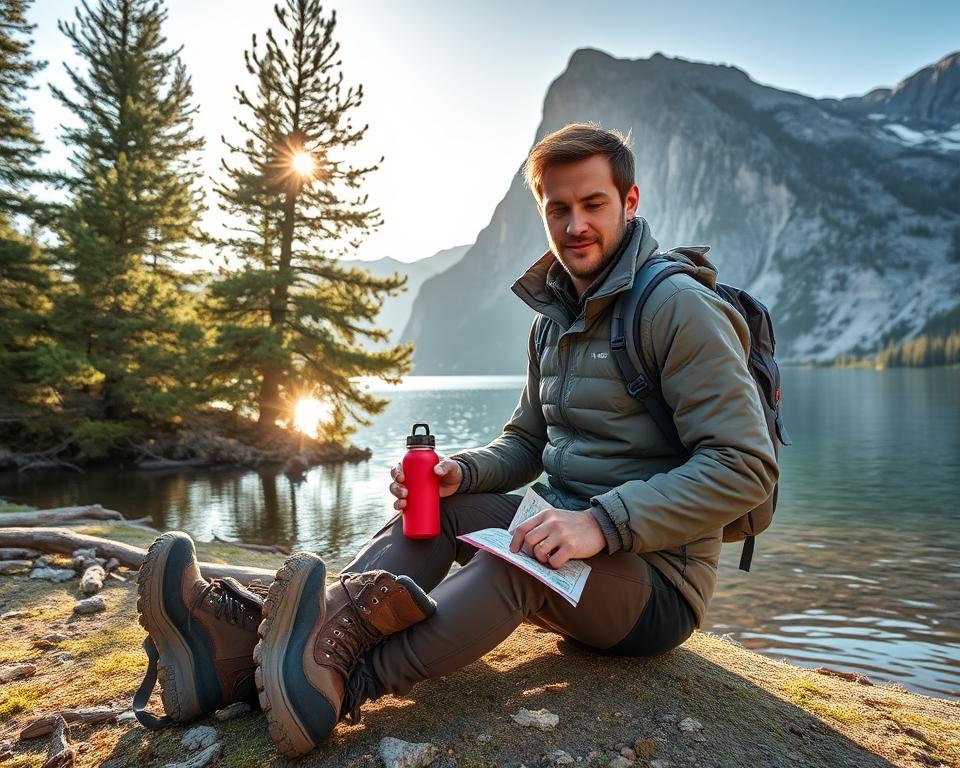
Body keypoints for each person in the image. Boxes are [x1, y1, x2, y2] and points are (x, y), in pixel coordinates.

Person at [133, 123, 778, 758]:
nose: (575, 224)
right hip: (565, 537)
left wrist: (601, 524)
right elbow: (527, 441)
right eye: (559, 209)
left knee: (520, 560)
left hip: (655, 585)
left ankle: (340, 684)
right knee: (429, 509)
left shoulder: (677, 308)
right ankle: (249, 659)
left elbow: (746, 466)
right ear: (543, 213)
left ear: (629, 203)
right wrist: (459, 475)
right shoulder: (555, 319)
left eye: (593, 204)